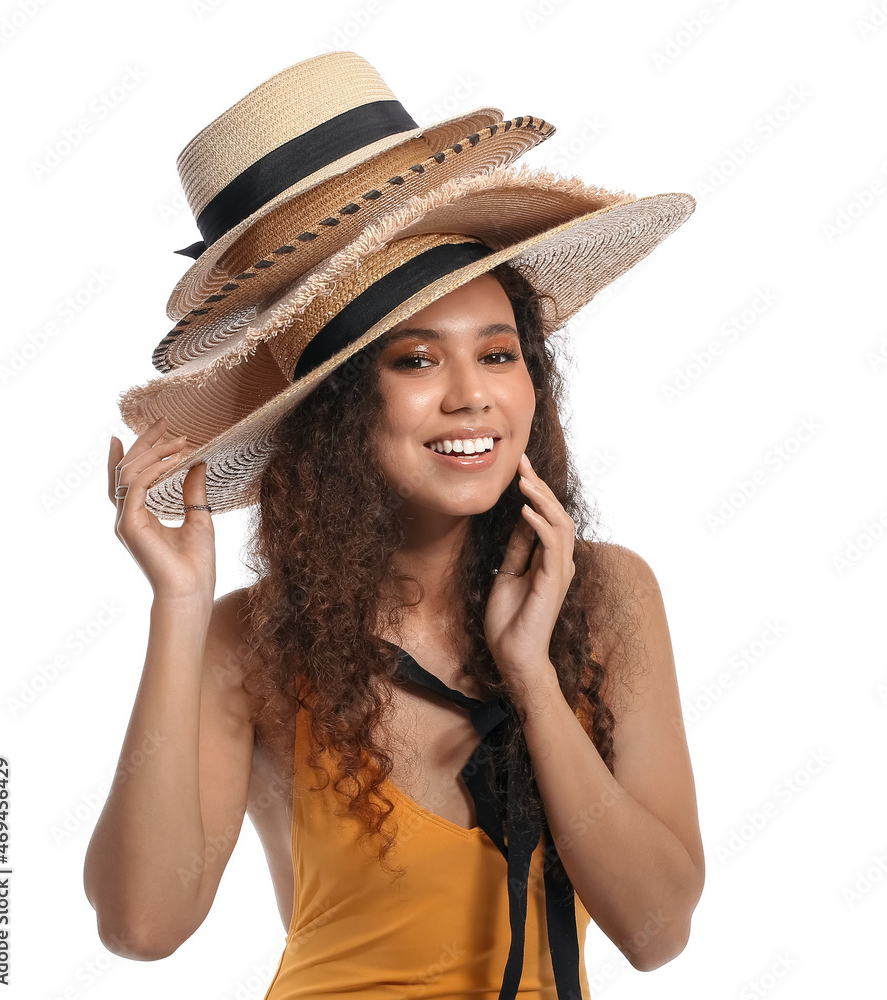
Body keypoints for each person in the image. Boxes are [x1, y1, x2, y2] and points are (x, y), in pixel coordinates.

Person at [83, 51, 704, 1000]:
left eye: (500, 354)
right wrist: (179, 604)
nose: (473, 399)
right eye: (416, 361)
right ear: (337, 411)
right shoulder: (248, 641)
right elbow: (141, 926)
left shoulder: (606, 595)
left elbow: (658, 932)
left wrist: (533, 679)